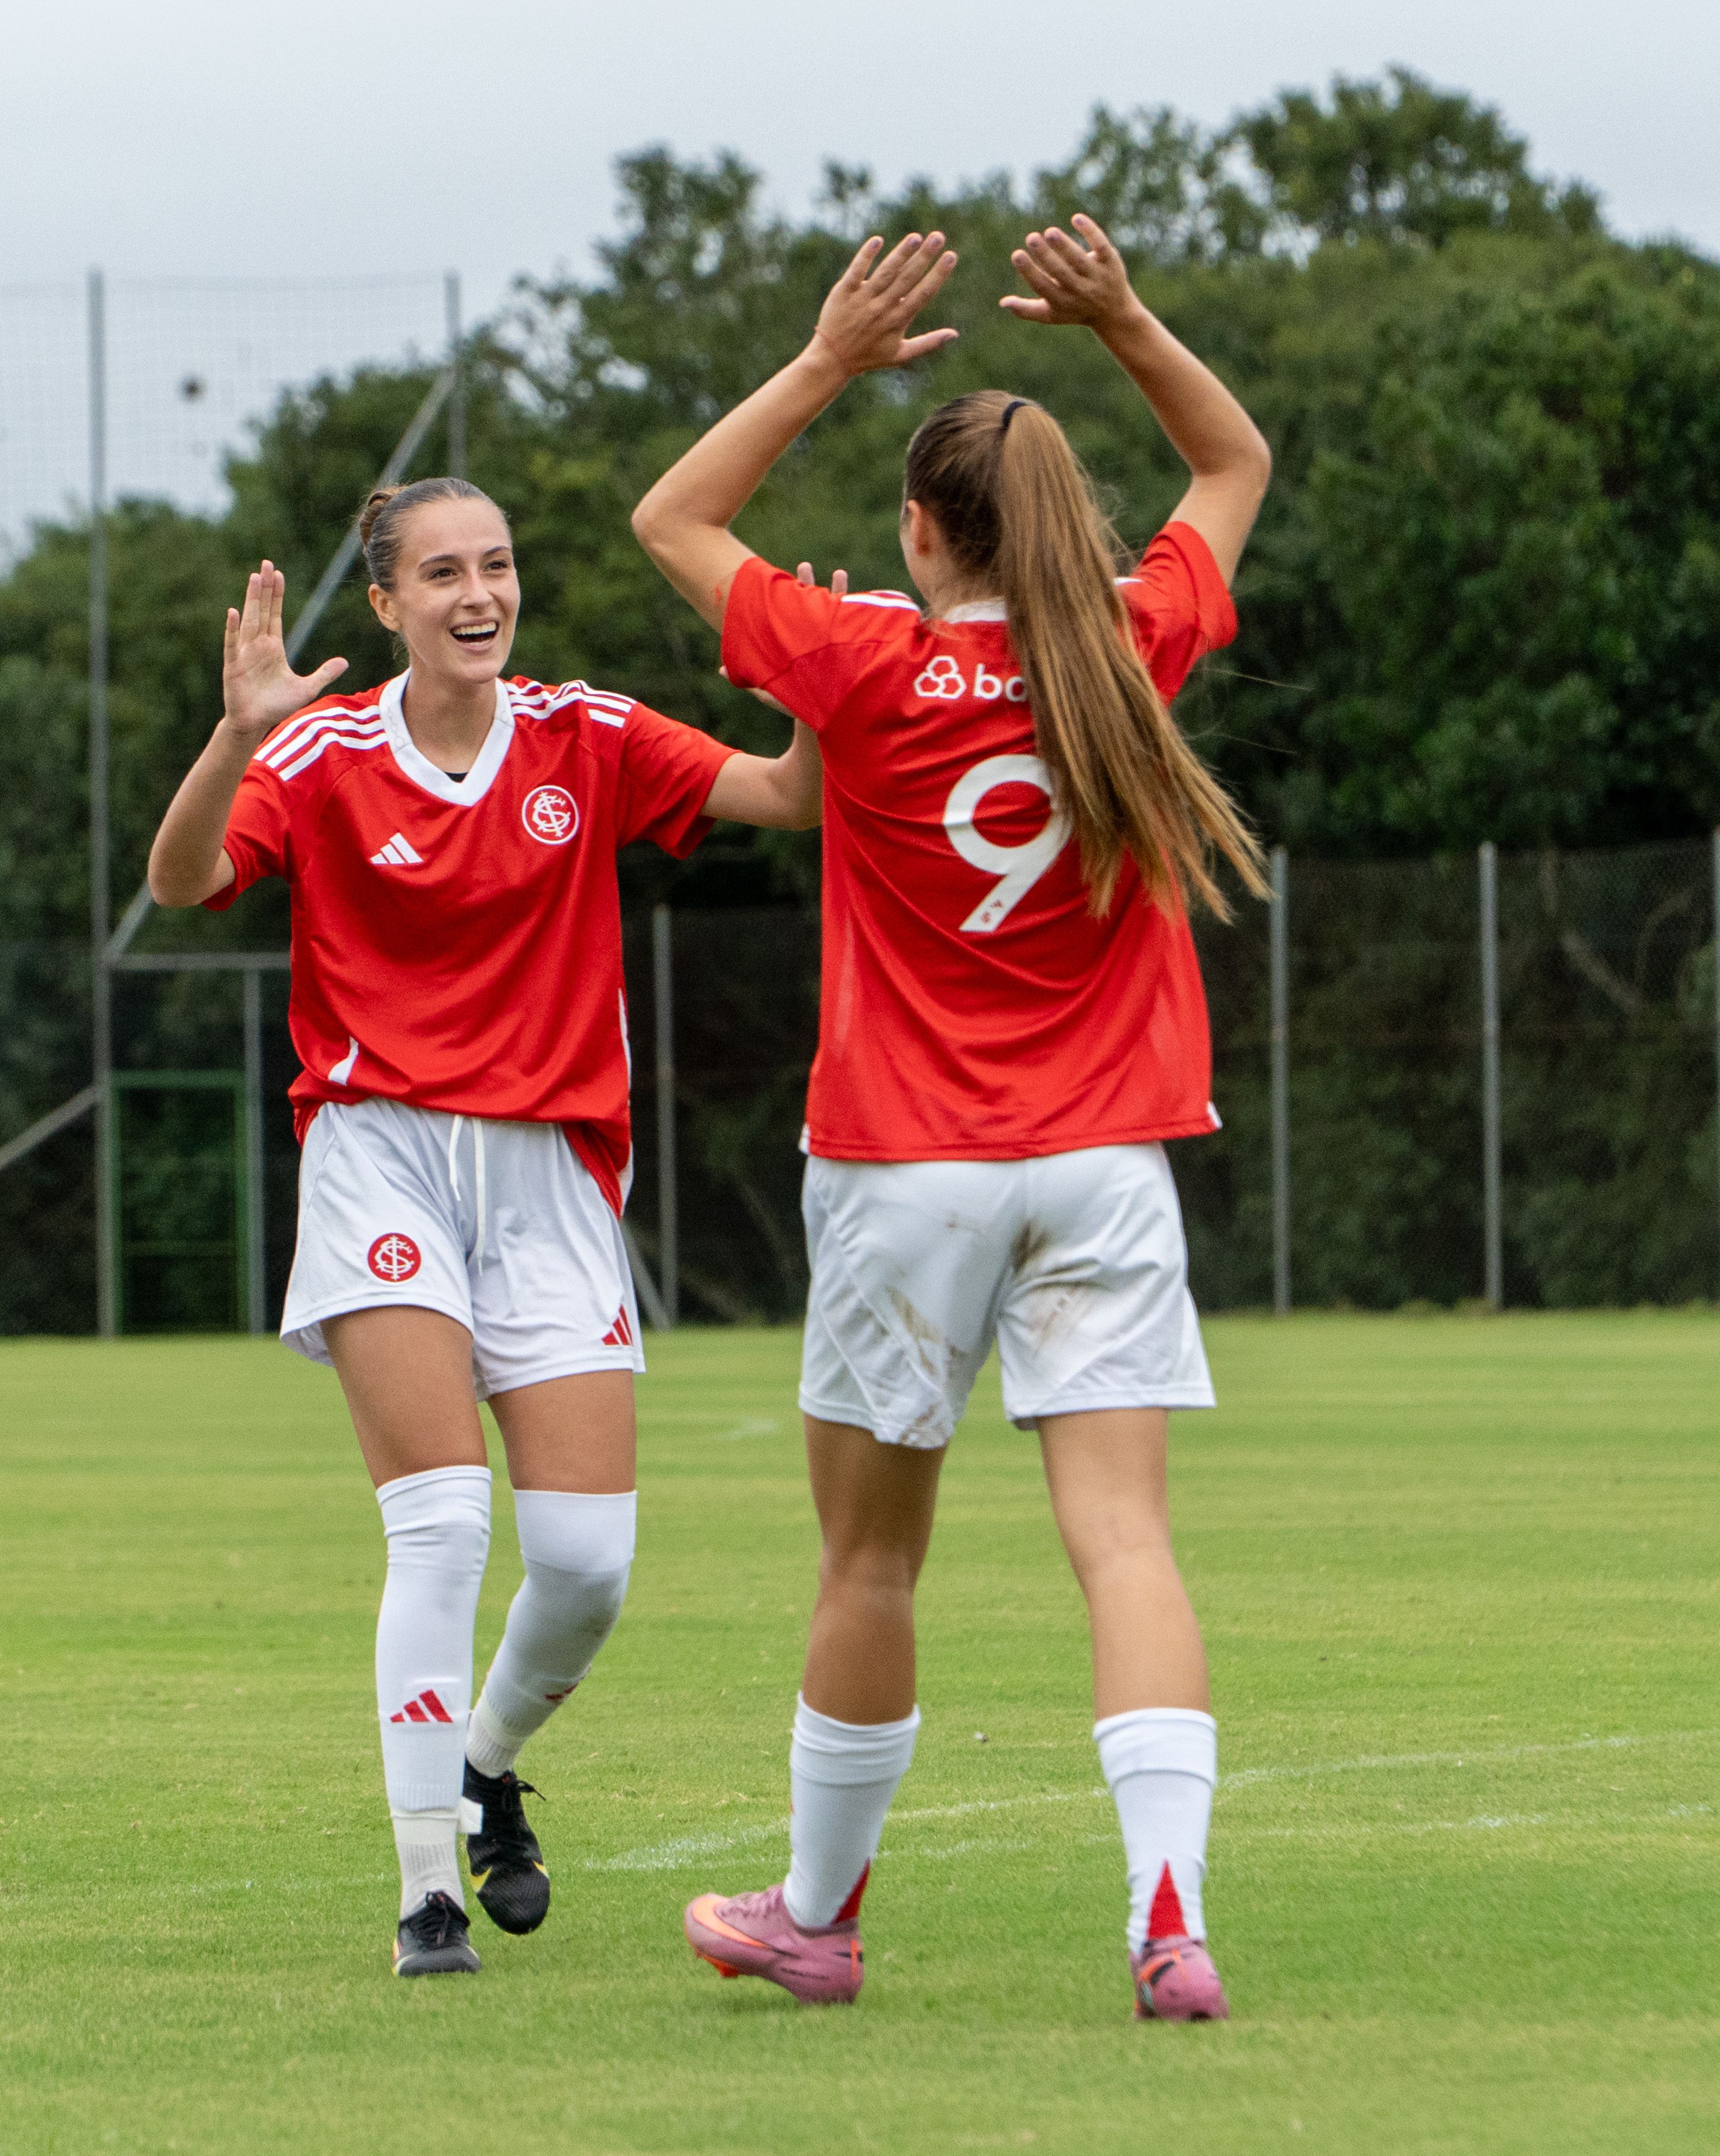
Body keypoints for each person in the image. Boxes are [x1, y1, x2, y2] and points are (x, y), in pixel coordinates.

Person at [627, 218, 1272, 2020]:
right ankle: (1167, 1915)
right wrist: (1127, 317)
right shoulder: (1129, 645)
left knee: (867, 1556)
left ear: (920, 528)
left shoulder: (851, 661)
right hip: (1101, 1163)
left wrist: (830, 358)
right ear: (1061, 523)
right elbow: (1232, 461)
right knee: (1124, 1544)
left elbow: (668, 520)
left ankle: (817, 1919)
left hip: (906, 1171)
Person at [145, 478, 820, 1978]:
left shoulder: (588, 734)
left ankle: (486, 1760)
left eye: (499, 565)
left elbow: (797, 797)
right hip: (378, 1154)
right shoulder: (319, 754)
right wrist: (236, 733)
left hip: (550, 1178)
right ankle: (424, 1892)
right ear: (384, 605)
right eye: (443, 571)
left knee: (584, 1562)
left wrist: (812, 683)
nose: (479, 592)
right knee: (443, 1523)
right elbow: (182, 880)